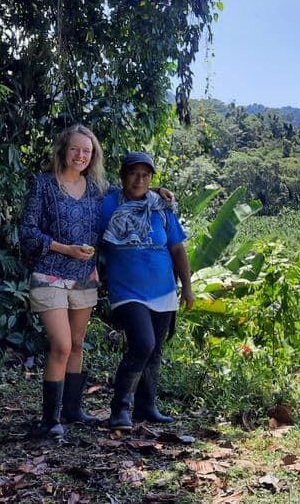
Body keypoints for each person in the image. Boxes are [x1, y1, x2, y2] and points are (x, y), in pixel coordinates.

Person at [19, 126, 172, 436]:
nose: (80, 155)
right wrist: (64, 249)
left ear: (93, 156)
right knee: (61, 345)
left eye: (86, 151)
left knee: (77, 345)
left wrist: (158, 190)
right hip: (50, 273)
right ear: (63, 150)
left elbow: (132, 190)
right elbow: (27, 232)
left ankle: (72, 410)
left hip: (84, 276)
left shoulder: (97, 189)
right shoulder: (44, 185)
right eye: (75, 149)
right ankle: (50, 420)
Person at [98, 151, 194, 431]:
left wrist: (187, 288)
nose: (139, 180)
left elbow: (177, 249)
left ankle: (146, 406)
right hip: (127, 290)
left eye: (146, 175)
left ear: (151, 179)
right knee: (142, 343)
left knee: (155, 350)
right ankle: (119, 409)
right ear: (123, 176)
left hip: (163, 290)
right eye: (133, 174)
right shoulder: (109, 204)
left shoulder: (160, 208)